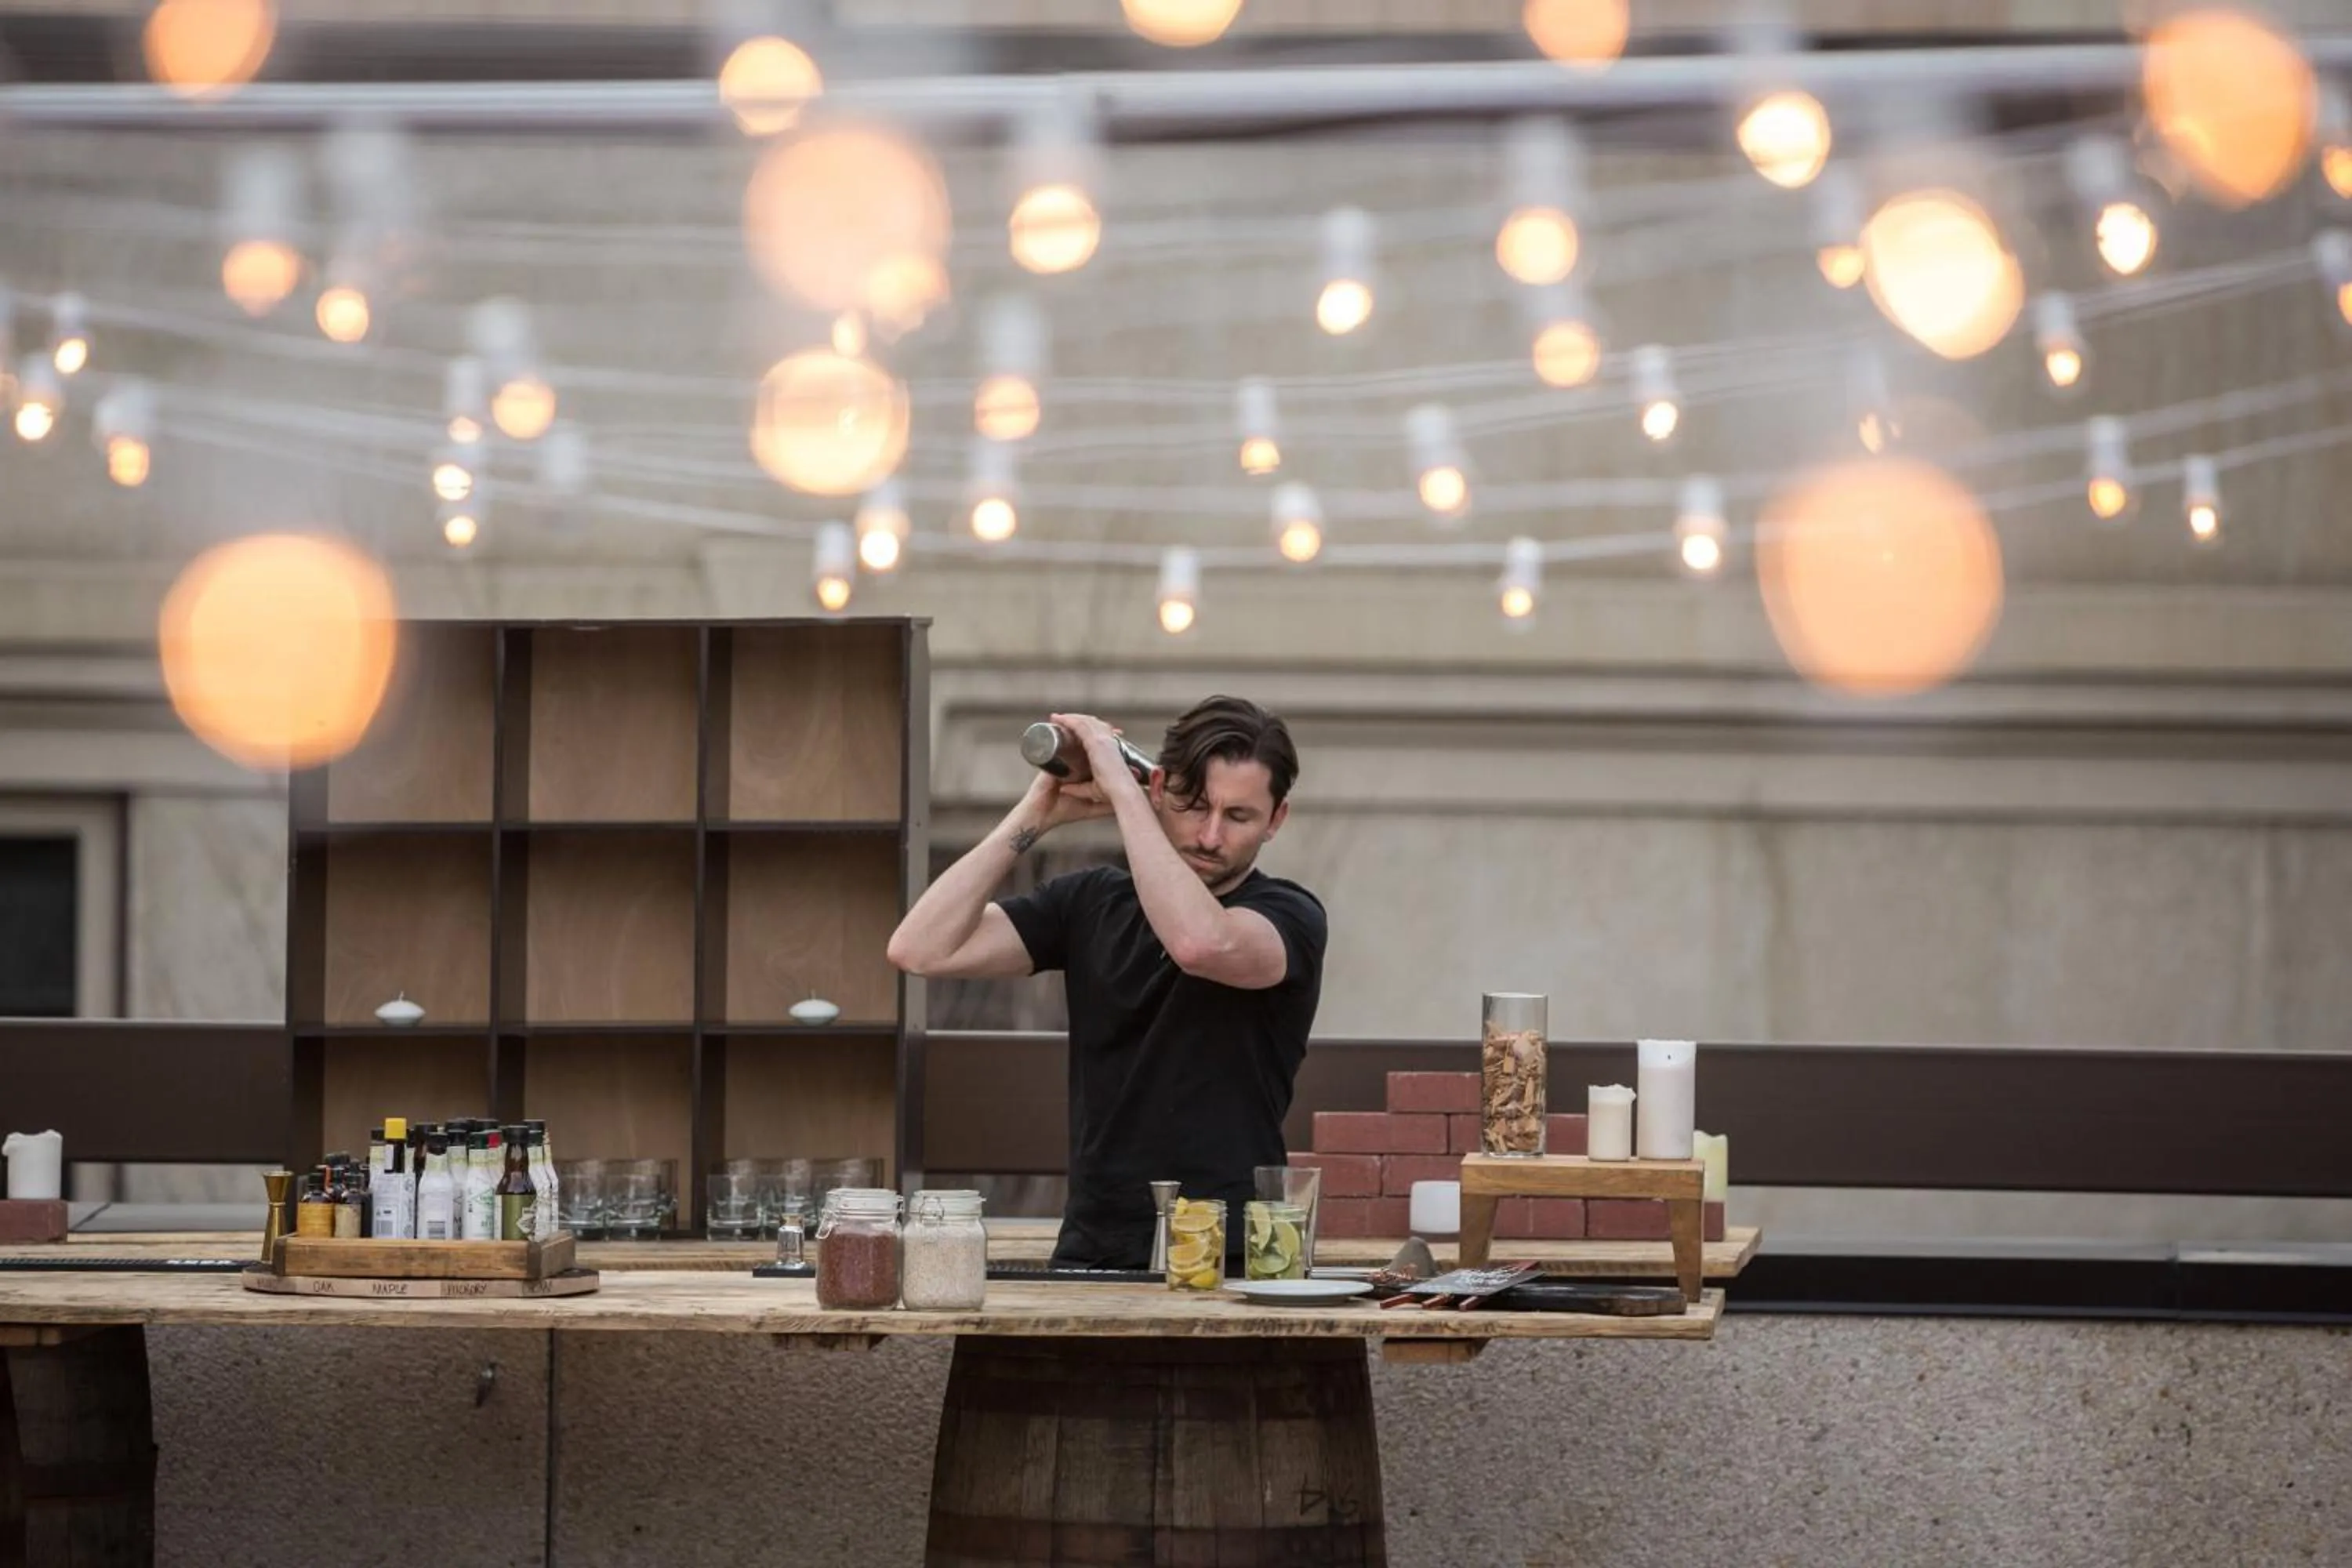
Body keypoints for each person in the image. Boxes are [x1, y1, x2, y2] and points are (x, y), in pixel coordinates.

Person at [885, 695, 1327, 1269]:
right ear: (1160, 788)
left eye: (1238, 816)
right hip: (1093, 1243)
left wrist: (1125, 795)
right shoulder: (1091, 901)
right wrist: (1036, 813)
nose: (1210, 835)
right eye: (1193, 806)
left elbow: (1198, 944)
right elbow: (919, 948)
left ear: (1276, 820)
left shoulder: (1289, 916)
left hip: (1233, 1252)